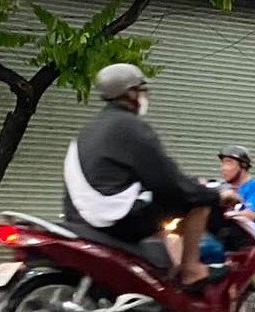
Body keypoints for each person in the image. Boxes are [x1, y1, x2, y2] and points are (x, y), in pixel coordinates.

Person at [63, 64, 232, 289]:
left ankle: (167, 275)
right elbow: (168, 183)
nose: (145, 97)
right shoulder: (131, 127)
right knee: (197, 203)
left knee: (163, 219)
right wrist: (212, 194)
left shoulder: (89, 129)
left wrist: (189, 184)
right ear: (131, 93)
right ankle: (191, 270)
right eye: (142, 90)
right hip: (111, 219)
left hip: (80, 218)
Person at [217, 145, 255, 230]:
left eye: (229, 163)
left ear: (243, 165)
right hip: (221, 239)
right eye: (223, 163)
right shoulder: (221, 187)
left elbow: (250, 215)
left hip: (250, 239)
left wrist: (226, 216)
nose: (223, 168)